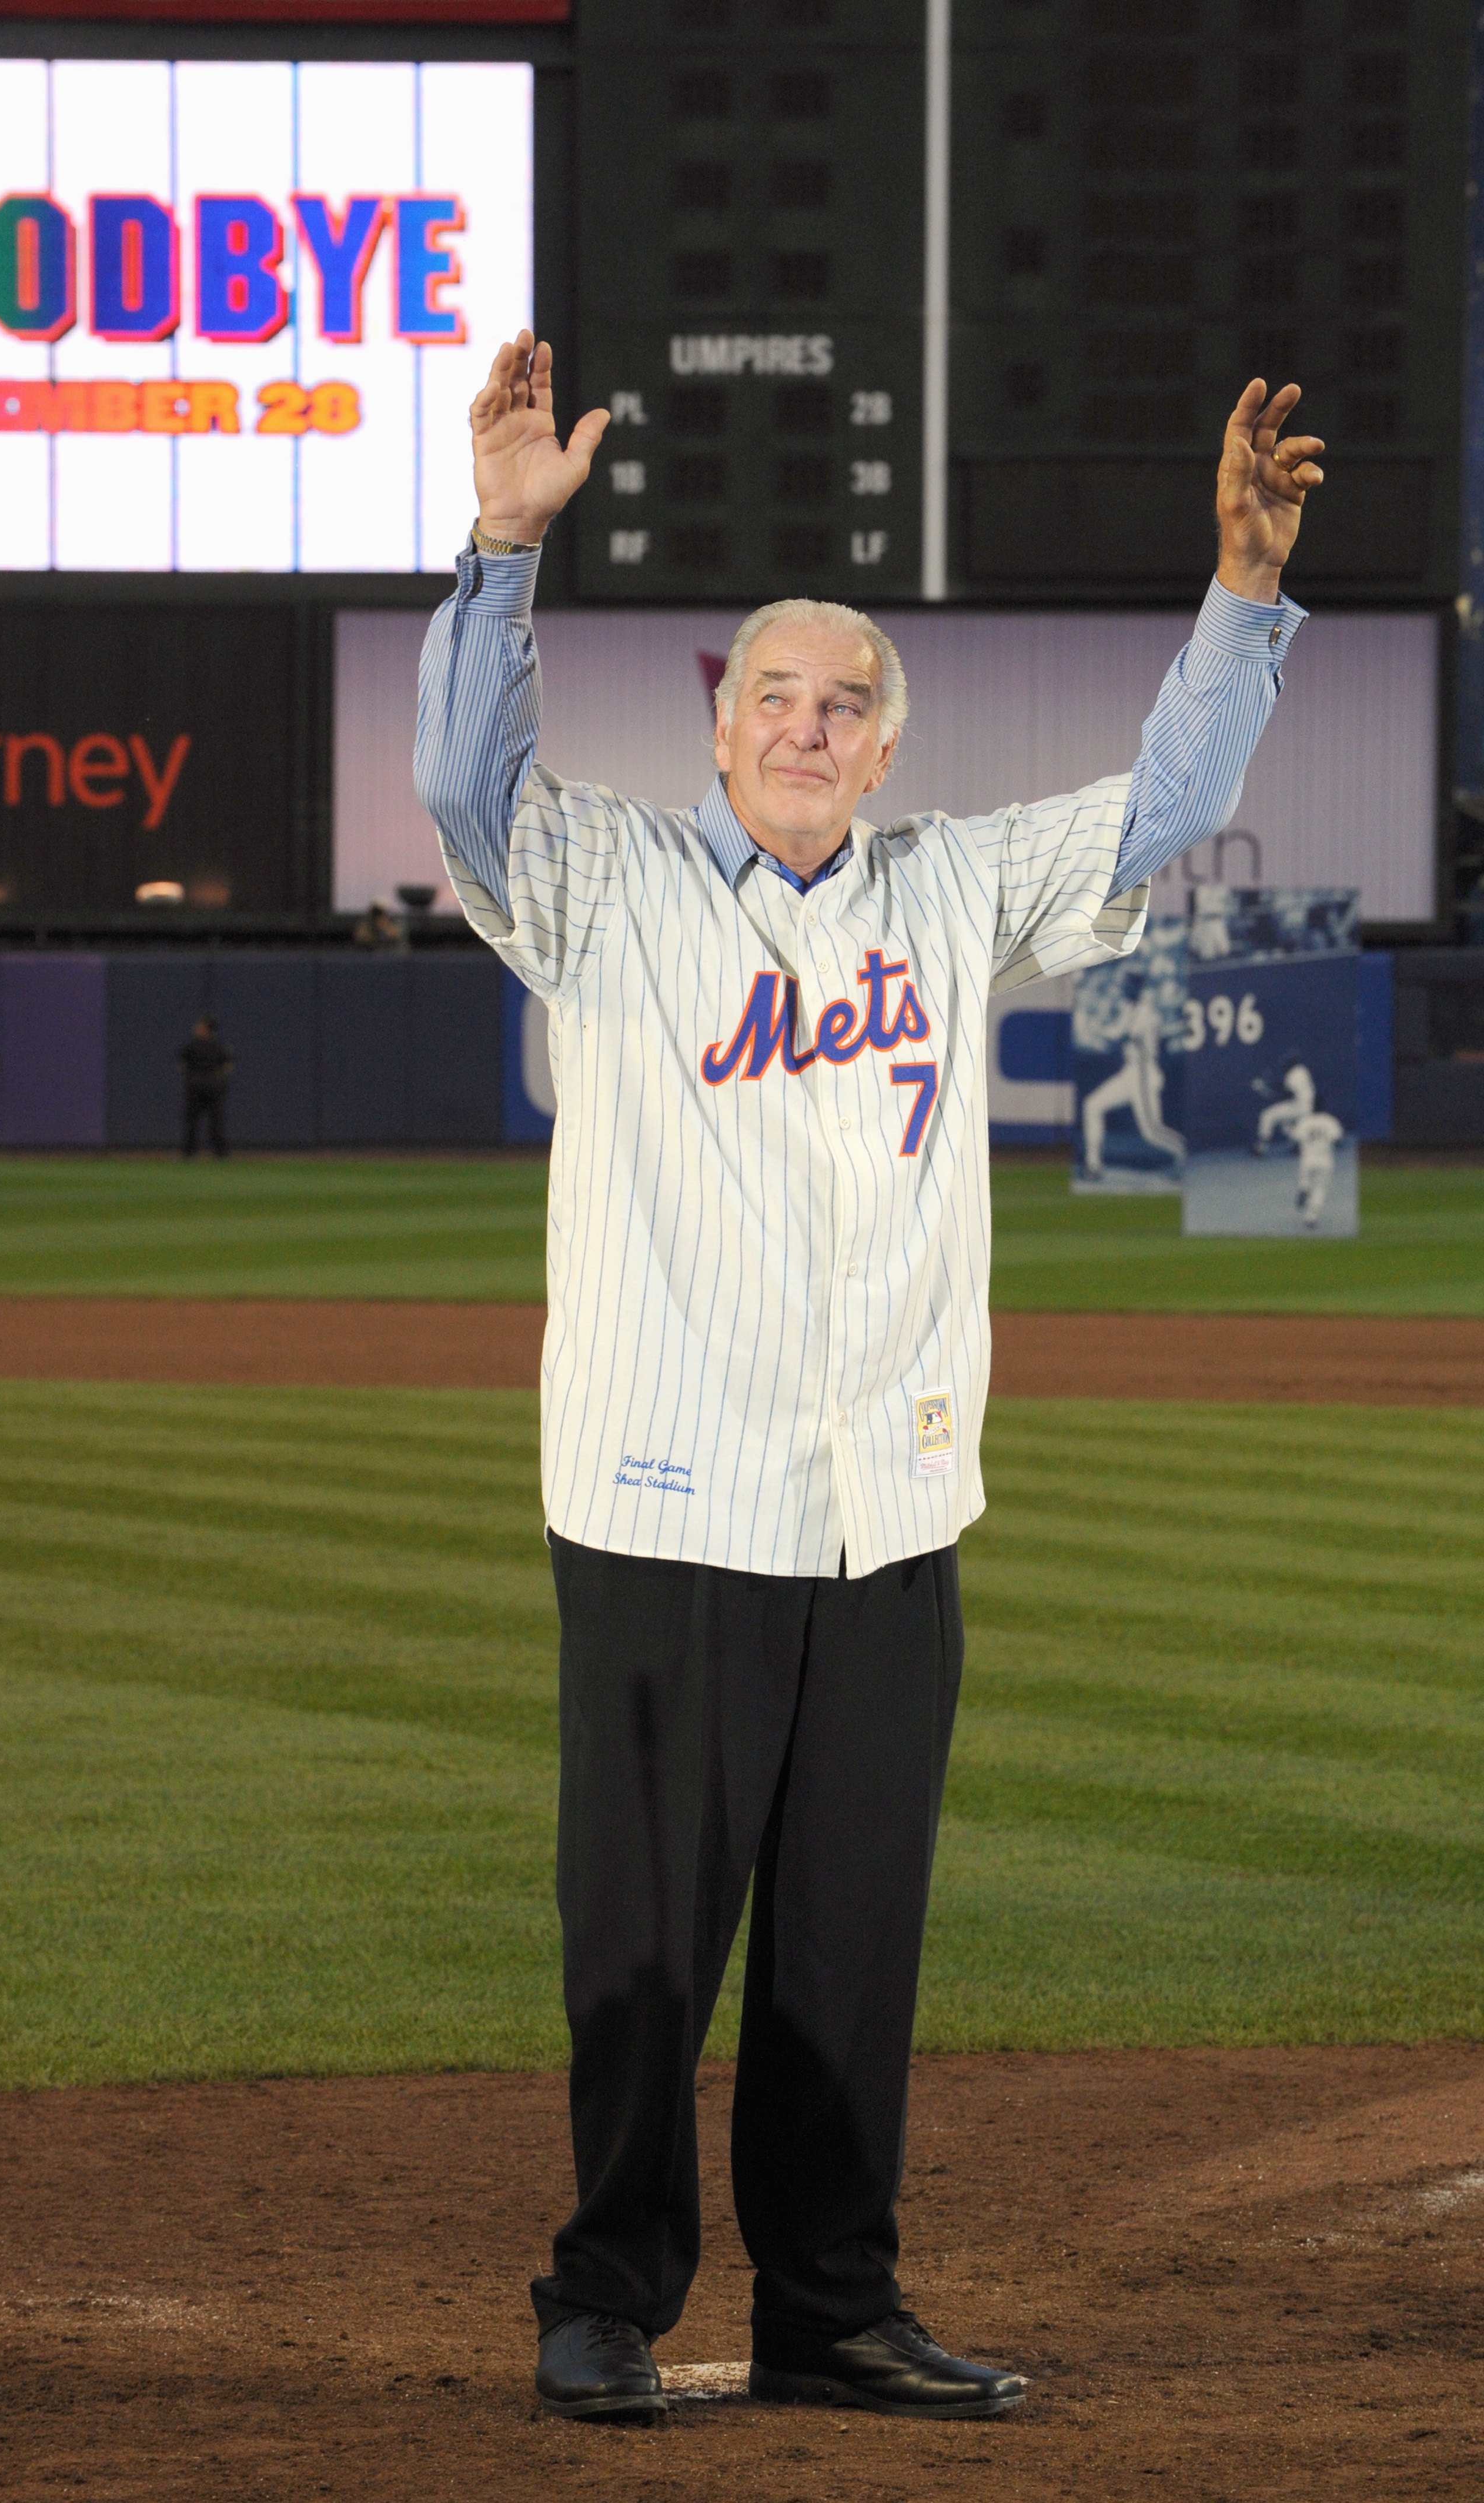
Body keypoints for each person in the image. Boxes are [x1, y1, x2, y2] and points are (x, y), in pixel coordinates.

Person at [415, 331, 1322, 2427]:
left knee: (847, 1941)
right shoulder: (607, 878)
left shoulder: (949, 890)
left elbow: (1172, 798)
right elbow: (466, 783)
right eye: (773, 697)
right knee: (642, 1938)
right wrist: (500, 549)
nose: (807, 726)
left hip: (886, 1508)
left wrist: (1245, 591)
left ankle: (830, 2297)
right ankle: (605, 2284)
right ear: (716, 725)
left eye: (845, 705)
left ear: (884, 749)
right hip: (664, 1499)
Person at [1079, 973, 1186, 1179]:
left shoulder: (1145, 1011)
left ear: (1136, 990)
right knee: (1092, 1105)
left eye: (1126, 988)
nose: (1122, 991)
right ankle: (1093, 1165)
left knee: (1151, 1132)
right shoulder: (1131, 1008)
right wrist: (1097, 1031)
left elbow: (1121, 1035)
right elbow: (1116, 1032)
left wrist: (1093, 1030)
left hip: (1144, 1073)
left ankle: (1185, 1154)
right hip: (1130, 1072)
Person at [179, 1014, 232, 1158]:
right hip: (211, 1087)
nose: (197, 1029)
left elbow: (183, 1065)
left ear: (206, 1029)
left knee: (197, 1121)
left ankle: (190, 1153)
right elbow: (227, 1066)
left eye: (200, 1027)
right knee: (212, 1121)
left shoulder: (191, 1046)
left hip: (198, 1086)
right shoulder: (219, 1046)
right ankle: (219, 1153)